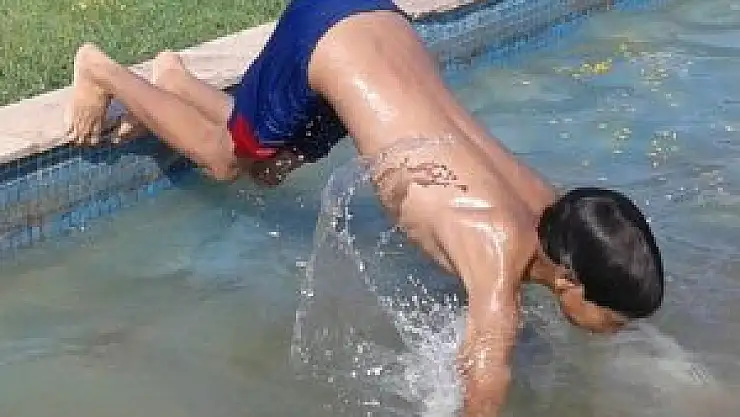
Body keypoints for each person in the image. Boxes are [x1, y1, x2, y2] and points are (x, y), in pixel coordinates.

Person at [66, 0, 665, 415]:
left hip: (375, 27)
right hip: (328, 37)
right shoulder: (498, 248)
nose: (614, 333)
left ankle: (174, 82)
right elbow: (484, 380)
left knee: (269, 169)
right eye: (613, 319)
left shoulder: (555, 210)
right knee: (225, 162)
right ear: (572, 281)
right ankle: (104, 71)